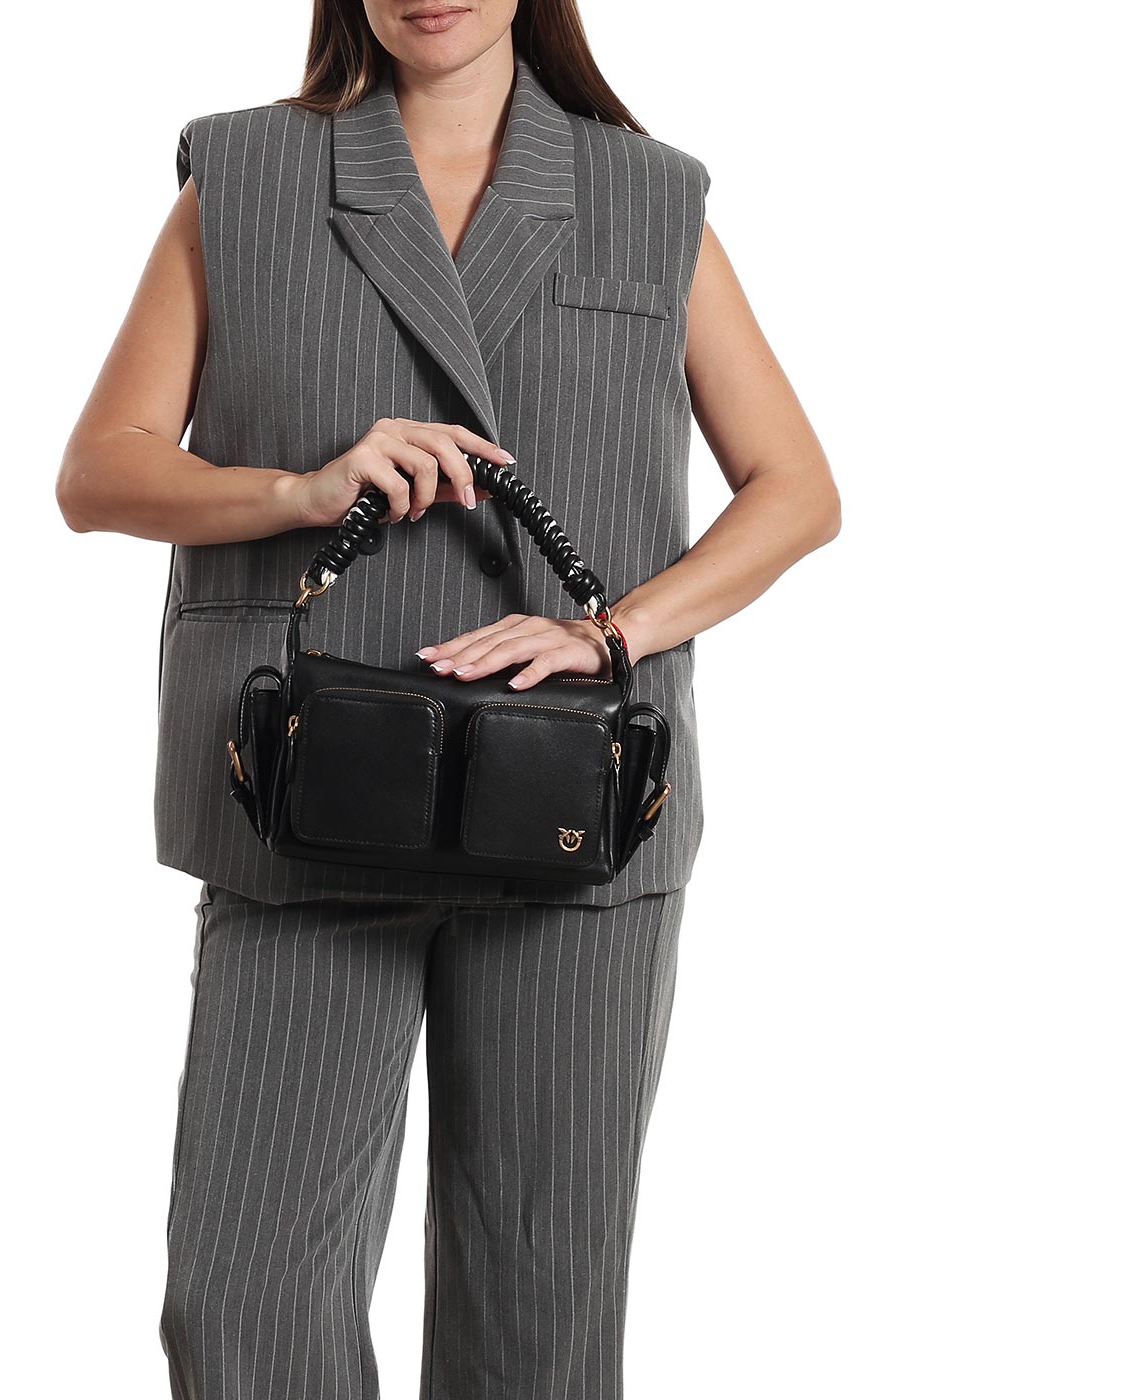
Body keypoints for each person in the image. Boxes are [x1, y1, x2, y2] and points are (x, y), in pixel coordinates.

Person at [57, 2, 839, 1395]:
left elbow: (796, 491)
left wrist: (610, 635)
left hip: (571, 816)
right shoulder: (242, 177)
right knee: (242, 1308)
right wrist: (300, 488)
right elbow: (98, 473)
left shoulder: (649, 198)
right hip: (310, 802)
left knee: (540, 1318)